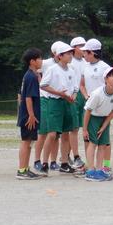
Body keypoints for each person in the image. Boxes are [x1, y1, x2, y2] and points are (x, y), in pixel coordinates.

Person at [39, 42, 77, 175]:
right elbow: (43, 85)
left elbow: (75, 87)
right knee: (52, 134)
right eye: (68, 53)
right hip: (55, 103)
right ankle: (45, 163)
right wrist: (58, 93)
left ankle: (64, 163)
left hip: (68, 103)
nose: (71, 55)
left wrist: (73, 96)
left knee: (66, 133)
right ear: (60, 56)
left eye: (71, 53)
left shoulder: (72, 70)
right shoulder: (52, 69)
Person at [83, 67, 113, 182]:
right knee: (93, 143)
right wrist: (85, 129)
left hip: (105, 118)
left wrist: (104, 126)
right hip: (92, 118)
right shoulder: (97, 94)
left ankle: (99, 170)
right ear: (106, 79)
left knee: (103, 145)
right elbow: (88, 111)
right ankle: (90, 171)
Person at [80, 38, 112, 176]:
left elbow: (110, 87)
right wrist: (86, 95)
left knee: (103, 140)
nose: (83, 55)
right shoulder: (84, 66)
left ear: (91, 52)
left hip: (103, 108)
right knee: (88, 138)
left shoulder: (105, 67)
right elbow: (81, 84)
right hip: (89, 107)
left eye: (85, 52)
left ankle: (103, 166)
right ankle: (90, 166)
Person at [34, 41, 65, 176]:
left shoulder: (64, 66)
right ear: (54, 53)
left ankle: (53, 161)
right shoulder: (46, 63)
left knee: (56, 133)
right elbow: (36, 71)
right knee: (44, 132)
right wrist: (41, 83)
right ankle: (37, 160)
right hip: (45, 99)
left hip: (57, 100)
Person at [16, 48, 43, 179]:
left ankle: (26, 168)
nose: (41, 60)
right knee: (26, 142)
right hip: (28, 116)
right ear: (32, 61)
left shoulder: (32, 75)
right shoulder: (30, 76)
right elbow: (27, 97)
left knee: (30, 142)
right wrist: (31, 115)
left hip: (31, 114)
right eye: (39, 58)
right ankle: (21, 170)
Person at [66, 36, 87, 171]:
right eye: (81, 46)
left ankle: (66, 156)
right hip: (73, 95)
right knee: (73, 128)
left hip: (85, 95)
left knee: (80, 127)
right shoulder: (69, 62)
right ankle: (76, 156)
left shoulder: (86, 61)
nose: (84, 48)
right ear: (74, 48)